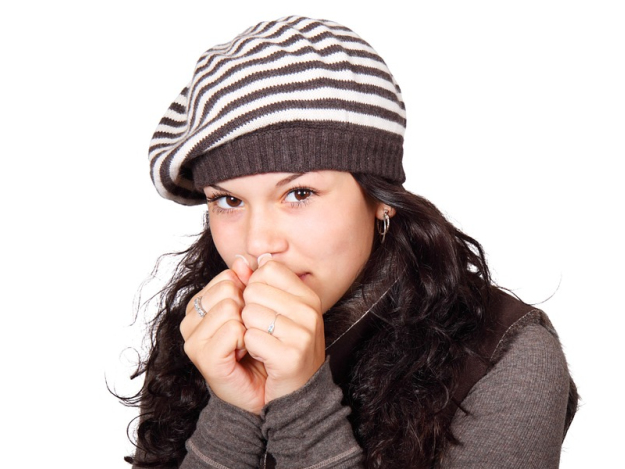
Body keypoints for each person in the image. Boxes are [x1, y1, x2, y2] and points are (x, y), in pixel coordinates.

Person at [123, 15, 578, 468]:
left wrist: (302, 401)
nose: (258, 242)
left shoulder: (505, 356)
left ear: (380, 198)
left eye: (300, 194)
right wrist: (232, 410)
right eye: (228, 201)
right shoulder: (200, 330)